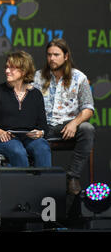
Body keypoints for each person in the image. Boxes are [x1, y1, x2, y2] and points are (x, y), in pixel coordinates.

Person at [33, 38, 95, 195]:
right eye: (49, 55)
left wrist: (75, 123)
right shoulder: (38, 77)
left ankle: (72, 177)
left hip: (66, 126)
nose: (52, 58)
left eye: (56, 54)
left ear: (66, 56)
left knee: (87, 129)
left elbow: (88, 108)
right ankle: (34, 184)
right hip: (43, 126)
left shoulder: (79, 78)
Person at [0, 51, 51, 168]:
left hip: (29, 138)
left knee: (42, 147)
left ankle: (44, 185)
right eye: (7, 67)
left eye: (12, 68)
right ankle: (23, 185)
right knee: (17, 150)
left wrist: (40, 133)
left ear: (24, 71)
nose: (7, 71)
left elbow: (43, 125)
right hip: (2, 138)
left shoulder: (36, 94)